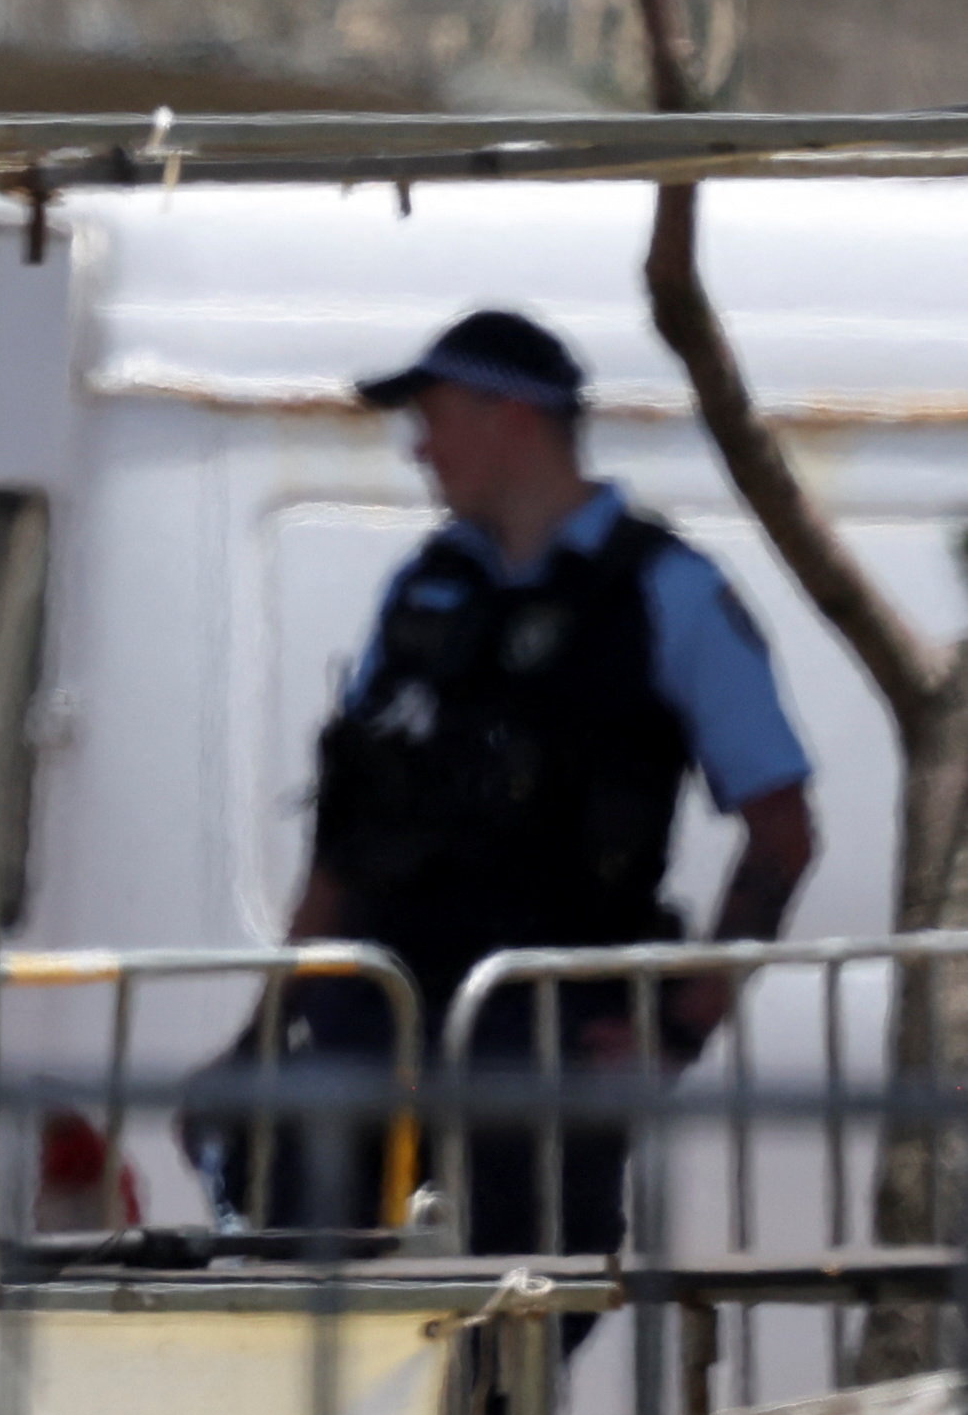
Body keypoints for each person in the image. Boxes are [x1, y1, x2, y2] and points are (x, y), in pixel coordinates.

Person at [262, 305, 814, 1256]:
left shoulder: (665, 591)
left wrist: (675, 1038)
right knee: (307, 1338)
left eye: (434, 418)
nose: (421, 451)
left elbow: (783, 833)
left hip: (545, 1041)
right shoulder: (423, 589)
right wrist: (261, 1040)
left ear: (512, 416)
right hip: (377, 1025)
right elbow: (347, 832)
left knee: (509, 1350)